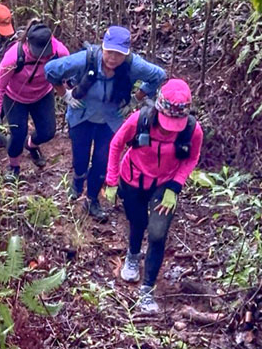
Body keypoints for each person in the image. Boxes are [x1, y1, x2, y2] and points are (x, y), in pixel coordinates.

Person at [44, 25, 166, 221]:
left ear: (126, 53)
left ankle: (92, 199)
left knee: (102, 161)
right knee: (80, 158)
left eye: (119, 54)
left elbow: (158, 76)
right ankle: (77, 182)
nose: (113, 58)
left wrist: (136, 99)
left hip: (111, 119)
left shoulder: (133, 65)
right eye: (109, 52)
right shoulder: (86, 59)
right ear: (102, 47)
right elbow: (51, 70)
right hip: (81, 115)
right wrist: (65, 95)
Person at [104, 78, 203, 313]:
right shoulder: (140, 120)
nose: (170, 128)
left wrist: (175, 186)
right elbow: (116, 144)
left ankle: (147, 289)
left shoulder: (192, 130)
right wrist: (111, 180)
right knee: (137, 222)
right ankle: (132, 255)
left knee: (158, 234)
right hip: (133, 179)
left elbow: (192, 158)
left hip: (165, 185)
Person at [0, 20, 69, 183]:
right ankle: (14, 167)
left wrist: (70, 92)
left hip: (43, 94)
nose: (43, 56)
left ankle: (32, 145)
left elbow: (68, 71)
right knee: (18, 134)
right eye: (38, 51)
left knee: (48, 132)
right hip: (15, 97)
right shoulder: (14, 56)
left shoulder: (59, 51)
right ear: (28, 42)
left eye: (45, 51)